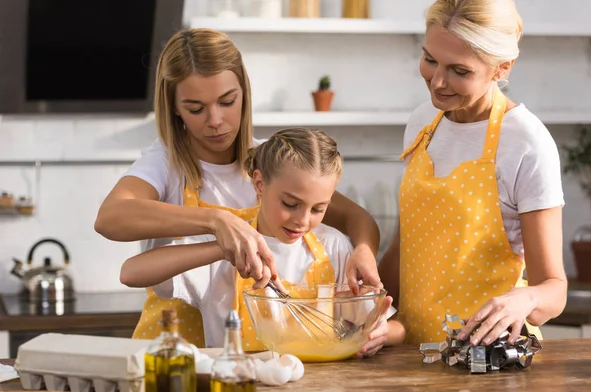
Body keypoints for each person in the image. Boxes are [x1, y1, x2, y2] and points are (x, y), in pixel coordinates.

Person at [94, 28, 382, 347]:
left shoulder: (273, 162)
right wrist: (216, 222)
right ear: (174, 107)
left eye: (227, 101)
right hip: (169, 350)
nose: (215, 120)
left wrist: (364, 252)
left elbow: (358, 220)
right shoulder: (165, 162)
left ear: (243, 91)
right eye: (195, 108)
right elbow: (110, 218)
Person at [120, 128, 406, 357]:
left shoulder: (334, 247)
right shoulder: (225, 249)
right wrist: (221, 249)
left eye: (318, 209)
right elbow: (131, 273)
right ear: (259, 184)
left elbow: (395, 328)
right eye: (290, 203)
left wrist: (381, 333)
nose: (302, 220)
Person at [379, 0, 567, 346]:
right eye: (430, 59)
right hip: (410, 349)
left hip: (485, 356)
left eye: (459, 71)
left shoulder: (526, 142)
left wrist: (525, 298)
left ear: (501, 68)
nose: (437, 82)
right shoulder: (423, 122)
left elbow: (554, 291)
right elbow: (407, 242)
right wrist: (367, 302)